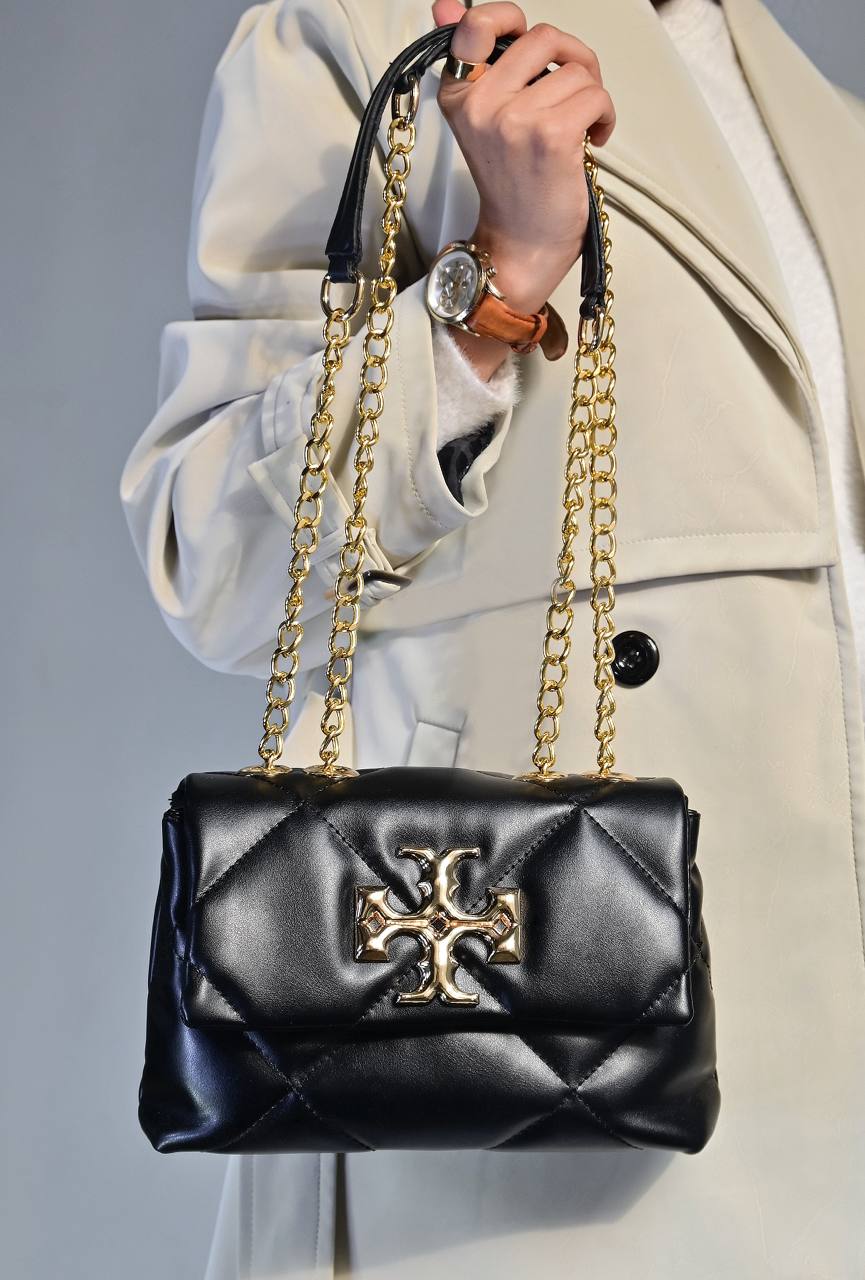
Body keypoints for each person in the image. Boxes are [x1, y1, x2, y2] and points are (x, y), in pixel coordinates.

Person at [119, 0, 865, 1274]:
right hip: (504, 1033)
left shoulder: (820, 114)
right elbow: (217, 560)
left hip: (820, 1062)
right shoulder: (356, 37)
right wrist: (491, 285)